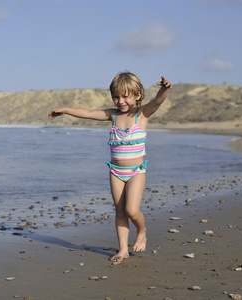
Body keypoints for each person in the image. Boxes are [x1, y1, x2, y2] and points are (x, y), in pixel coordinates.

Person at [48, 72, 172, 262]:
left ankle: (142, 230)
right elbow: (88, 113)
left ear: (138, 95)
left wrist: (164, 89)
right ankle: (123, 249)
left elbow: (157, 101)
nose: (120, 101)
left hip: (136, 172)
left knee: (131, 210)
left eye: (125, 96)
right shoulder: (112, 115)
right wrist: (65, 109)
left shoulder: (142, 114)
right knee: (120, 211)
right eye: (116, 96)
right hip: (116, 171)